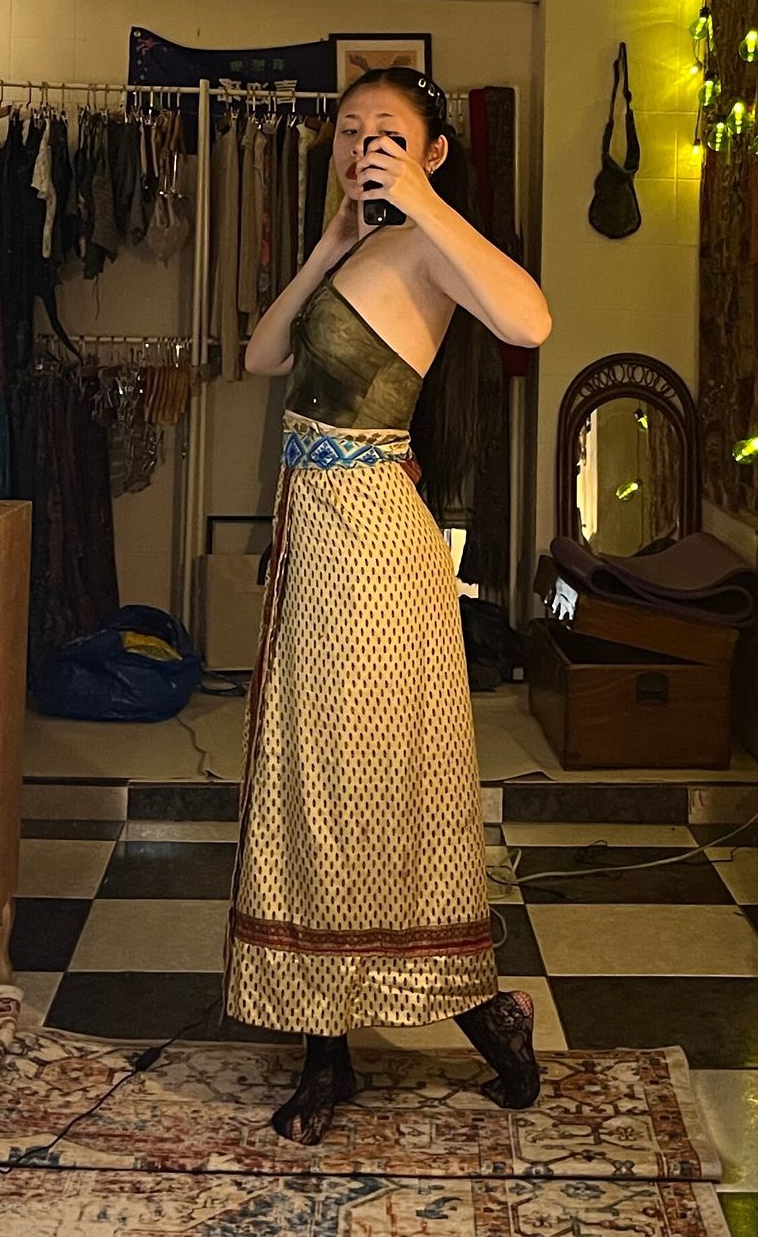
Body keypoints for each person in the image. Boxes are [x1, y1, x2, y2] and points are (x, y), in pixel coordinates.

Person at [222, 66, 552, 1146]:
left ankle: (478, 1010)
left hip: (372, 544)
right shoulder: (358, 245)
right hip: (317, 534)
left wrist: (423, 203)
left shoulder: (428, 242)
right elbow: (260, 356)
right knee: (312, 778)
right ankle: (328, 1044)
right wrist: (326, 244)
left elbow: (530, 320)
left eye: (388, 133)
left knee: (369, 780)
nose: (362, 145)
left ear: (432, 150)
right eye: (350, 130)